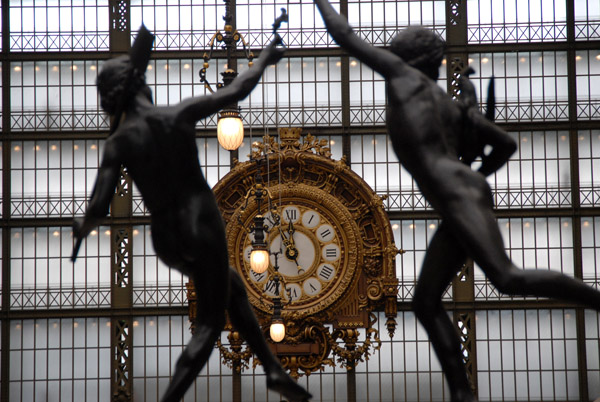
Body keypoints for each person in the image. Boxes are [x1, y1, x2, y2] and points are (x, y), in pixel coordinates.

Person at [313, 1, 600, 401]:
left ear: (407, 58)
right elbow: (504, 143)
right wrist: (474, 178)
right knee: (425, 303)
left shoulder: (403, 79)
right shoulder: (450, 105)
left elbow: (344, 35)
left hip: (456, 191)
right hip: (458, 191)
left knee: (507, 278)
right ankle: (462, 393)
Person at [71, 25, 311, 402]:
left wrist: (80, 227)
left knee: (230, 284)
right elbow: (235, 91)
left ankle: (273, 370)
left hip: (165, 237)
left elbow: (98, 208)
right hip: (200, 223)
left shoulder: (118, 143)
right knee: (210, 324)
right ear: (140, 82)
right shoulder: (175, 115)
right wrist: (265, 56)